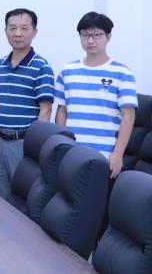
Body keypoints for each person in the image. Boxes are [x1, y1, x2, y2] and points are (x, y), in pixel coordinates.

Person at [55, 12, 137, 179]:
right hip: (71, 153)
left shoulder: (122, 73)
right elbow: (61, 111)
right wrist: (61, 146)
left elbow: (129, 116)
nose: (90, 40)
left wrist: (118, 154)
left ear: (108, 37)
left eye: (97, 34)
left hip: (104, 155)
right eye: (85, 35)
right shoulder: (67, 71)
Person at [0, 8, 54, 199]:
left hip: (23, 145)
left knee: (23, 200)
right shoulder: (0, 65)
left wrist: (36, 150)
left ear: (34, 32)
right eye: (12, 28)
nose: (17, 33)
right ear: (5, 31)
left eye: (24, 28)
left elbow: (46, 110)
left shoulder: (41, 66)